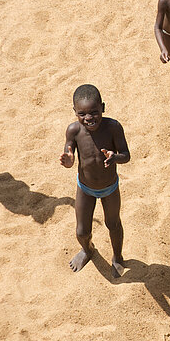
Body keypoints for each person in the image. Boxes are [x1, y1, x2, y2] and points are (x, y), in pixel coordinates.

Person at [60, 84, 130, 277]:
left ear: (103, 108)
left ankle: (117, 257)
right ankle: (87, 249)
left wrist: (115, 157)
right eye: (82, 114)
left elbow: (126, 155)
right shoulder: (73, 131)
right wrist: (69, 161)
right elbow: (69, 154)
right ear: (75, 112)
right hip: (85, 188)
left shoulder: (113, 127)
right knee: (82, 231)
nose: (88, 118)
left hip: (110, 188)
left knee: (113, 224)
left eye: (94, 112)